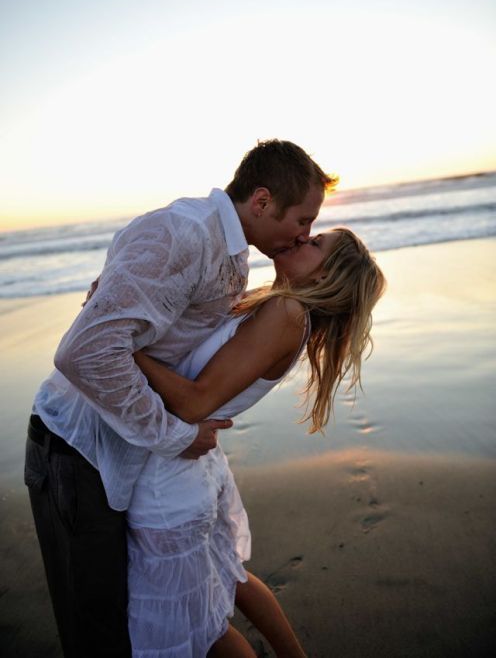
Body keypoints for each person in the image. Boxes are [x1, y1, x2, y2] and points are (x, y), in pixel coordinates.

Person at [24, 139, 336, 657]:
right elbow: (85, 351)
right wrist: (174, 435)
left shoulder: (231, 259)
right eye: (303, 220)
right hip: (79, 450)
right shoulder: (185, 233)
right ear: (261, 203)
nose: (303, 233)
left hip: (126, 455)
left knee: (126, 625)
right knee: (99, 631)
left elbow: (156, 339)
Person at [124, 227, 386, 657]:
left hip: (167, 484)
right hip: (191, 468)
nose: (303, 240)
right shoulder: (274, 302)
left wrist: (124, 345)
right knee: (230, 579)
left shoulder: (287, 312)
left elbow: (192, 402)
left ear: (325, 277)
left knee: (203, 630)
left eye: (316, 244)